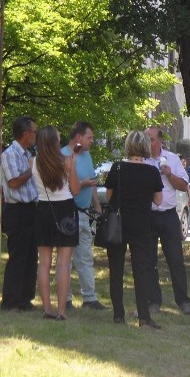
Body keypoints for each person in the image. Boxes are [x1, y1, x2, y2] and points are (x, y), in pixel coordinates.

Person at [105, 131, 164, 328]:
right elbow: (158, 200)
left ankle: (118, 314)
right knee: (142, 270)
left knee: (116, 269)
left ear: (128, 146)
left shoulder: (118, 168)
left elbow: (109, 196)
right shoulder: (152, 172)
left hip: (119, 224)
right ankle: (144, 317)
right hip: (141, 225)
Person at [32, 126, 81, 320]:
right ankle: (61, 311)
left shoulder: (33, 162)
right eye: (58, 138)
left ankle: (47, 309)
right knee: (63, 264)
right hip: (66, 210)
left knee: (43, 263)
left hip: (44, 209)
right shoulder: (66, 161)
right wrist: (73, 166)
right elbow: (76, 190)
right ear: (53, 142)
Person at [145, 127, 190, 315]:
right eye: (145, 139)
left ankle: (183, 301)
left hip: (168, 215)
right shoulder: (141, 160)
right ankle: (154, 300)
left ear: (160, 142)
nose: (147, 143)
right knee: (149, 261)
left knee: (175, 259)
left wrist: (169, 174)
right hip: (148, 215)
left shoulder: (172, 158)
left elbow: (183, 186)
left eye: (151, 139)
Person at [61, 121, 106, 311]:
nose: (92, 141)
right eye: (89, 137)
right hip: (67, 213)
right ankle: (66, 299)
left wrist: (96, 204)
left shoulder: (86, 155)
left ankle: (90, 297)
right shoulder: (63, 155)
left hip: (84, 213)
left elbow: (92, 181)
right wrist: (83, 183)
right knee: (66, 258)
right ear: (78, 137)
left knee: (85, 256)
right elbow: (61, 185)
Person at [1, 116, 39, 312]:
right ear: (25, 134)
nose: (36, 135)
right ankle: (10, 301)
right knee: (18, 256)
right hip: (17, 210)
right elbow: (13, 182)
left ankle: (25, 298)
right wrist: (31, 169)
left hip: (31, 209)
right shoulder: (9, 154)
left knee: (31, 256)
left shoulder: (27, 153)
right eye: (34, 132)